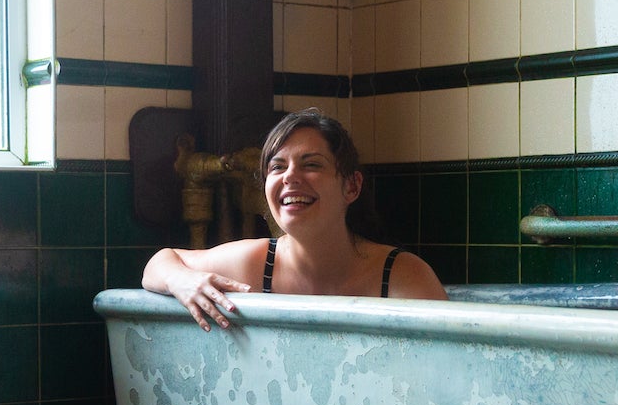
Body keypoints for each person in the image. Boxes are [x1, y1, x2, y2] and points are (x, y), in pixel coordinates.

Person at [143, 109, 446, 329]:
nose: (289, 177)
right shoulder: (254, 262)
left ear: (351, 186)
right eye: (277, 167)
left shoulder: (400, 275)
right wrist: (181, 281)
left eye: (311, 164)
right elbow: (160, 262)